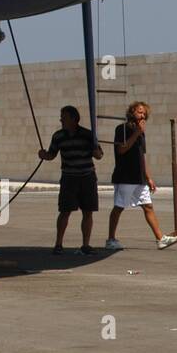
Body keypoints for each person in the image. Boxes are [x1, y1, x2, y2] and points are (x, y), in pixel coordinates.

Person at [106, 101, 177, 250]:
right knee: (119, 207)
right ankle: (111, 239)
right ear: (132, 112)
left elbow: (142, 156)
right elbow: (121, 150)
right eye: (139, 112)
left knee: (148, 206)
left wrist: (148, 177)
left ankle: (160, 239)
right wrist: (137, 133)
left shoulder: (141, 133)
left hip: (139, 177)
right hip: (125, 176)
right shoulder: (122, 129)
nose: (142, 115)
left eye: (144, 113)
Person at [38, 105, 104, 255]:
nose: (61, 119)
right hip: (69, 178)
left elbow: (99, 155)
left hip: (87, 177)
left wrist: (95, 150)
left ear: (74, 119)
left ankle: (85, 245)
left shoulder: (88, 135)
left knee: (88, 212)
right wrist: (43, 154)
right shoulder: (58, 136)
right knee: (65, 211)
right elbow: (51, 155)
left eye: (64, 117)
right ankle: (58, 243)